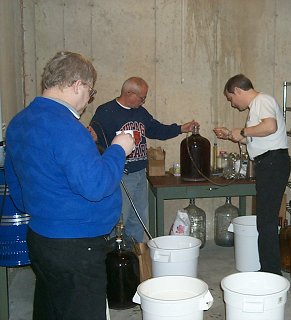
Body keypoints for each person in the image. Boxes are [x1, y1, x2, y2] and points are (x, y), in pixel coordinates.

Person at [4, 51, 135, 320]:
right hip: (76, 249)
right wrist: (119, 149)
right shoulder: (66, 127)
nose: (88, 100)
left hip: (41, 240)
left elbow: (17, 190)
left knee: (51, 310)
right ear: (79, 85)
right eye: (91, 92)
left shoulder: (19, 123)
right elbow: (96, 185)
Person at [90, 77, 197, 243]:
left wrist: (180, 128)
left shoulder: (140, 112)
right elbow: (96, 144)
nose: (144, 101)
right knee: (118, 220)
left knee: (138, 219)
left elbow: (156, 129)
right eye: (142, 97)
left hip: (140, 174)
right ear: (129, 93)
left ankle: (136, 257)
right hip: (121, 176)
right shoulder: (106, 112)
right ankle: (114, 256)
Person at [214, 74, 290, 275]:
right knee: (265, 221)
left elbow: (269, 127)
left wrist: (245, 131)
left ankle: (270, 273)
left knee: (266, 222)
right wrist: (232, 135)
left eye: (231, 98)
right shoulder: (258, 105)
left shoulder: (261, 101)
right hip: (271, 163)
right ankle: (269, 270)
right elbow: (262, 136)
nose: (232, 103)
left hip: (272, 163)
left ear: (238, 90)